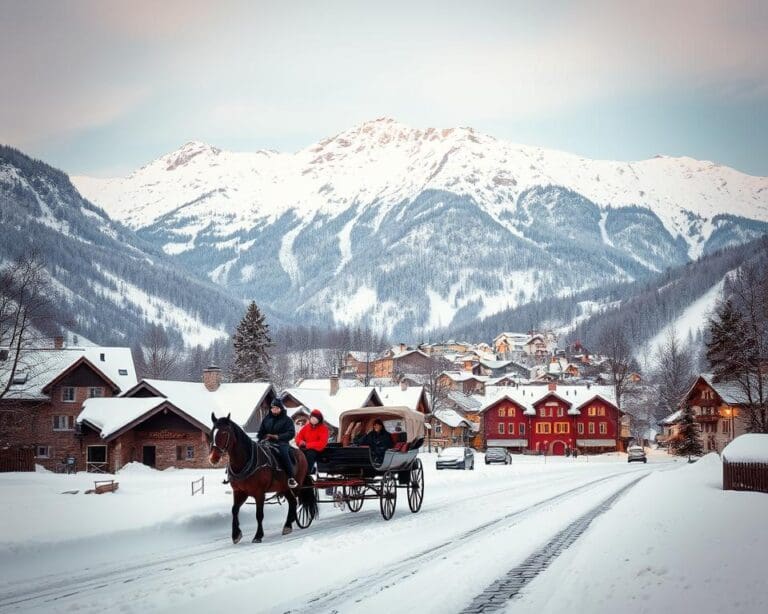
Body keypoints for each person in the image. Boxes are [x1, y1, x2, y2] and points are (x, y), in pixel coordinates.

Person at [257, 397, 298, 488]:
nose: (274, 410)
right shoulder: (266, 419)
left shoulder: (287, 420)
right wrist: (263, 437)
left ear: (281, 409)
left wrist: (277, 437)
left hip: (281, 443)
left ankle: (291, 477)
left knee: (284, 454)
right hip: (266, 442)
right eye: (272, 408)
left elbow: (291, 433)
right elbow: (261, 431)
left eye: (276, 408)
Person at [295, 409, 329, 473]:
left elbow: (322, 443)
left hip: (316, 450)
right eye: (312, 418)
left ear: (319, 420)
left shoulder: (323, 429)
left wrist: (307, 445)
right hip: (305, 448)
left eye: (316, 418)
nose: (313, 420)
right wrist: (300, 442)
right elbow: (299, 437)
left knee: (310, 454)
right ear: (310, 418)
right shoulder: (306, 427)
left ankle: (307, 473)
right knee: (296, 453)